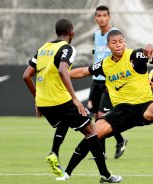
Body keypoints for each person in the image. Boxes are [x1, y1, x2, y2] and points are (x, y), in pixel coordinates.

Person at [65, 29, 153, 176]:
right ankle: (67, 172)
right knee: (92, 134)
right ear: (108, 46)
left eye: (121, 41)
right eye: (114, 43)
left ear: (125, 42)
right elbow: (83, 71)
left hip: (144, 106)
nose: (119, 45)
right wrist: (61, 75)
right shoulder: (104, 64)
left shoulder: (136, 55)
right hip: (120, 110)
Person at [22, 18, 122, 183]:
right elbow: (63, 70)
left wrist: (37, 100)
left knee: (66, 122)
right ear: (71, 32)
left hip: (45, 103)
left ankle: (54, 152)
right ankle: (105, 175)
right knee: (92, 133)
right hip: (61, 100)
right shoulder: (67, 48)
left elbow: (26, 75)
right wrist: (75, 99)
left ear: (57, 32)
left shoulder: (43, 48)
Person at [90, 5, 127, 159]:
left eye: (104, 15)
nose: (101, 18)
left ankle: (104, 151)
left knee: (101, 115)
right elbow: (95, 56)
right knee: (96, 117)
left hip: (110, 81)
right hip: (96, 81)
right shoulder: (95, 35)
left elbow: (123, 55)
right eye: (98, 16)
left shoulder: (116, 34)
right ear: (95, 18)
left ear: (109, 16)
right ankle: (119, 141)